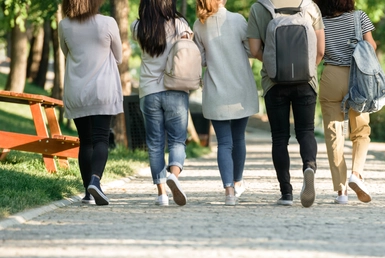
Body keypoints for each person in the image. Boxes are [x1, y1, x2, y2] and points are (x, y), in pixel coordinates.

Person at [248, 0, 325, 207]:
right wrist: (305, 68)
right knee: (306, 130)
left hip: (274, 83)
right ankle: (309, 166)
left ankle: (286, 193)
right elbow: (320, 50)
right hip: (306, 81)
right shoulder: (310, 6)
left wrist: (277, 65)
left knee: (279, 137)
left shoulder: (259, 7)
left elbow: (255, 49)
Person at [193, 0, 259, 206]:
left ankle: (229, 191)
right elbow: (251, 49)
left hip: (216, 90)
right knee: (238, 139)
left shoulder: (199, 24)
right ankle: (238, 182)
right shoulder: (238, 20)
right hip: (240, 90)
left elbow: (201, 59)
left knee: (223, 142)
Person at [59, 0, 123, 206]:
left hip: (76, 90)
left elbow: (66, 52)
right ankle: (96, 180)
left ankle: (87, 193)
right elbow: (119, 56)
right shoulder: (107, 22)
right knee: (101, 139)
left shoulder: (64, 25)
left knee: (85, 140)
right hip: (102, 90)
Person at [314, 0, 376, 205]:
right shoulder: (360, 17)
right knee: (360, 130)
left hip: (331, 75)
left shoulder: (319, 20)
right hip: (357, 77)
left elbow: (319, 51)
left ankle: (341, 192)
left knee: (334, 134)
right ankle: (356, 175)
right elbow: (372, 46)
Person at [131, 0, 191, 207]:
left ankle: (161, 194)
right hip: (175, 88)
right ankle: (174, 174)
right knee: (177, 140)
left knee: (155, 144)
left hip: (148, 91)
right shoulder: (180, 24)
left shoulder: (138, 27)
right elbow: (188, 51)